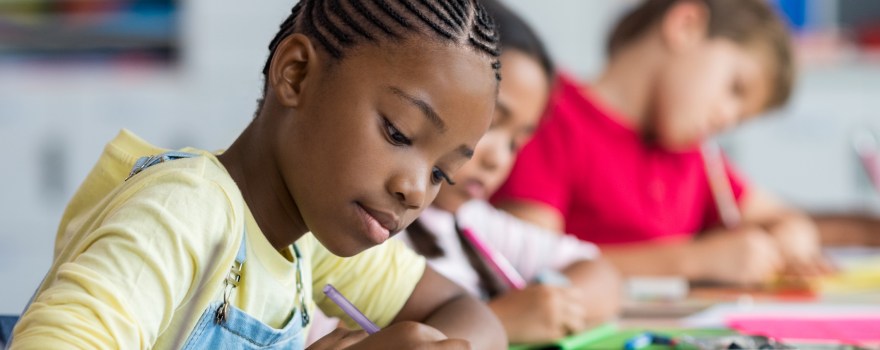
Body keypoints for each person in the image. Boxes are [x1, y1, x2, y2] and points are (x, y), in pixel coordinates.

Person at [10, 1, 508, 348]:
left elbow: (471, 314)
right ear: (295, 75)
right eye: (398, 133)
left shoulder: (306, 241)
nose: (416, 190)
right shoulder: (184, 215)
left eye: (442, 171)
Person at [493, 0, 832, 286]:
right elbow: (528, 265)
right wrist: (694, 261)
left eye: (740, 117)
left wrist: (792, 234)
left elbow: (779, 214)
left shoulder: (689, 154)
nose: (727, 119)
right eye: (735, 88)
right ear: (685, 26)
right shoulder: (550, 113)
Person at [399, 0, 620, 343]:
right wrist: (501, 319)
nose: (498, 159)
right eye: (490, 123)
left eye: (516, 142)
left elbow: (601, 275)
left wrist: (548, 300)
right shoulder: (375, 227)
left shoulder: (471, 222)